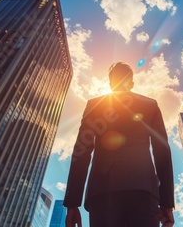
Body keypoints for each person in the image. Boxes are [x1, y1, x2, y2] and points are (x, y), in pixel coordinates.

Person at [63, 62, 175, 227]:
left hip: (103, 192)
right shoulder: (150, 105)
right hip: (144, 191)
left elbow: (81, 151)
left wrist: (72, 203)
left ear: (110, 83)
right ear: (131, 83)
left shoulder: (94, 106)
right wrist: (166, 202)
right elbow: (162, 151)